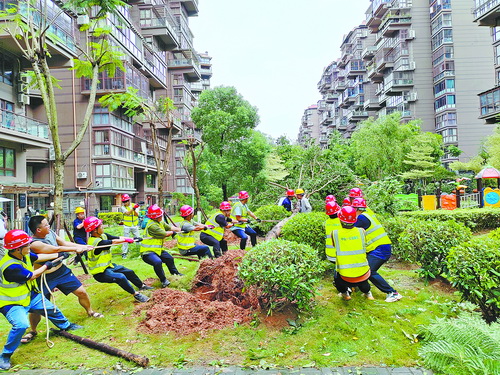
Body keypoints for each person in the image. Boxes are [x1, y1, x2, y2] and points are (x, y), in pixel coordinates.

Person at [0, 230, 82, 370]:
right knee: (20, 325)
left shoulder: (23, 255)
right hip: (12, 303)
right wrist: (47, 266)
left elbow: (37, 257)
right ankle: (5, 356)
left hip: (29, 296)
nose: (30, 246)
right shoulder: (10, 266)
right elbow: (32, 275)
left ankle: (66, 326)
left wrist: (59, 255)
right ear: (18, 249)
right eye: (27, 245)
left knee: (51, 309)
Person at [23, 216, 100, 344]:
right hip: (44, 276)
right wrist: (75, 249)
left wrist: (83, 246)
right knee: (38, 306)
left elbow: (63, 244)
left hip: (61, 271)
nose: (49, 226)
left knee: (81, 292)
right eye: (46, 225)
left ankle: (90, 312)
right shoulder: (34, 243)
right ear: (38, 230)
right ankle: (33, 330)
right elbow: (56, 249)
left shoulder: (50, 233)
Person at [84, 217, 151, 302]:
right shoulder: (96, 242)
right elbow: (113, 242)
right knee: (121, 277)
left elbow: (117, 237)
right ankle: (136, 295)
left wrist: (134, 239)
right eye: (100, 226)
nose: (103, 227)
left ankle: (142, 286)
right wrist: (126, 240)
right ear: (94, 230)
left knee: (129, 272)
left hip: (108, 266)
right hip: (100, 273)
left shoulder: (103, 236)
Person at [351, 198, 403, 303]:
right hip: (379, 247)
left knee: (369, 271)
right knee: (365, 269)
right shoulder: (366, 215)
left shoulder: (361, 218)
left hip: (380, 249)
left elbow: (349, 228)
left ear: (356, 208)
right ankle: (356, 286)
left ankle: (392, 293)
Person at [330, 206, 374, 301]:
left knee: (336, 278)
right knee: (364, 283)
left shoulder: (335, 233)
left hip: (344, 275)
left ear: (340, 219)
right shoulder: (362, 231)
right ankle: (368, 294)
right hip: (363, 272)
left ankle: (345, 294)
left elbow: (334, 245)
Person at [140, 204, 182, 288]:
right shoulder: (152, 226)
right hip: (147, 252)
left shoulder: (160, 222)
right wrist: (172, 233)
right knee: (157, 262)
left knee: (169, 258)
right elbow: (164, 234)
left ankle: (175, 273)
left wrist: (181, 230)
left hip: (157, 250)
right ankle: (163, 281)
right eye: (160, 215)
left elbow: (170, 228)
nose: (162, 216)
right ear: (156, 217)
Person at [120, 194, 140, 259]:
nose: (124, 203)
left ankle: (139, 251)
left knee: (138, 238)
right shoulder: (123, 207)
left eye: (126, 201)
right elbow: (127, 213)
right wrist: (133, 208)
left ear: (129, 200)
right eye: (123, 202)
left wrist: (134, 209)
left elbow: (137, 215)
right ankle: (124, 253)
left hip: (134, 225)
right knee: (126, 240)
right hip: (127, 226)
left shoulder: (135, 206)